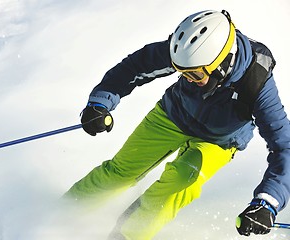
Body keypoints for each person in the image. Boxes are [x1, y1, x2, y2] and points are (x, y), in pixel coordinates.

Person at [63, 10, 290, 239]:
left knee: (179, 183)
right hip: (173, 115)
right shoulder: (188, 50)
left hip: (219, 141)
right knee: (120, 171)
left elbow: (284, 147)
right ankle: (62, 214)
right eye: (182, 73)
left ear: (220, 65)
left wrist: (267, 202)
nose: (187, 79)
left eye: (194, 75)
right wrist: (99, 103)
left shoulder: (257, 84)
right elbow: (134, 67)